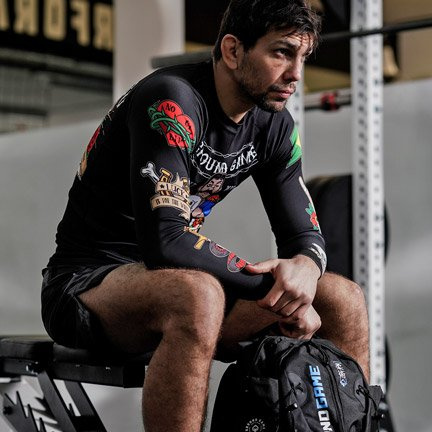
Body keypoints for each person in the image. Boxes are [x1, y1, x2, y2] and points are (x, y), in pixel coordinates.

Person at [41, 1, 370, 431]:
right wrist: (283, 291)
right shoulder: (171, 99)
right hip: (85, 287)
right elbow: (166, 241)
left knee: (343, 298)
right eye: (281, 52)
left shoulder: (273, 126)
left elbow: (303, 235)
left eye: (303, 57)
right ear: (232, 51)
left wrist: (306, 269)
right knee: (198, 295)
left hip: (180, 284)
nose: (295, 74)